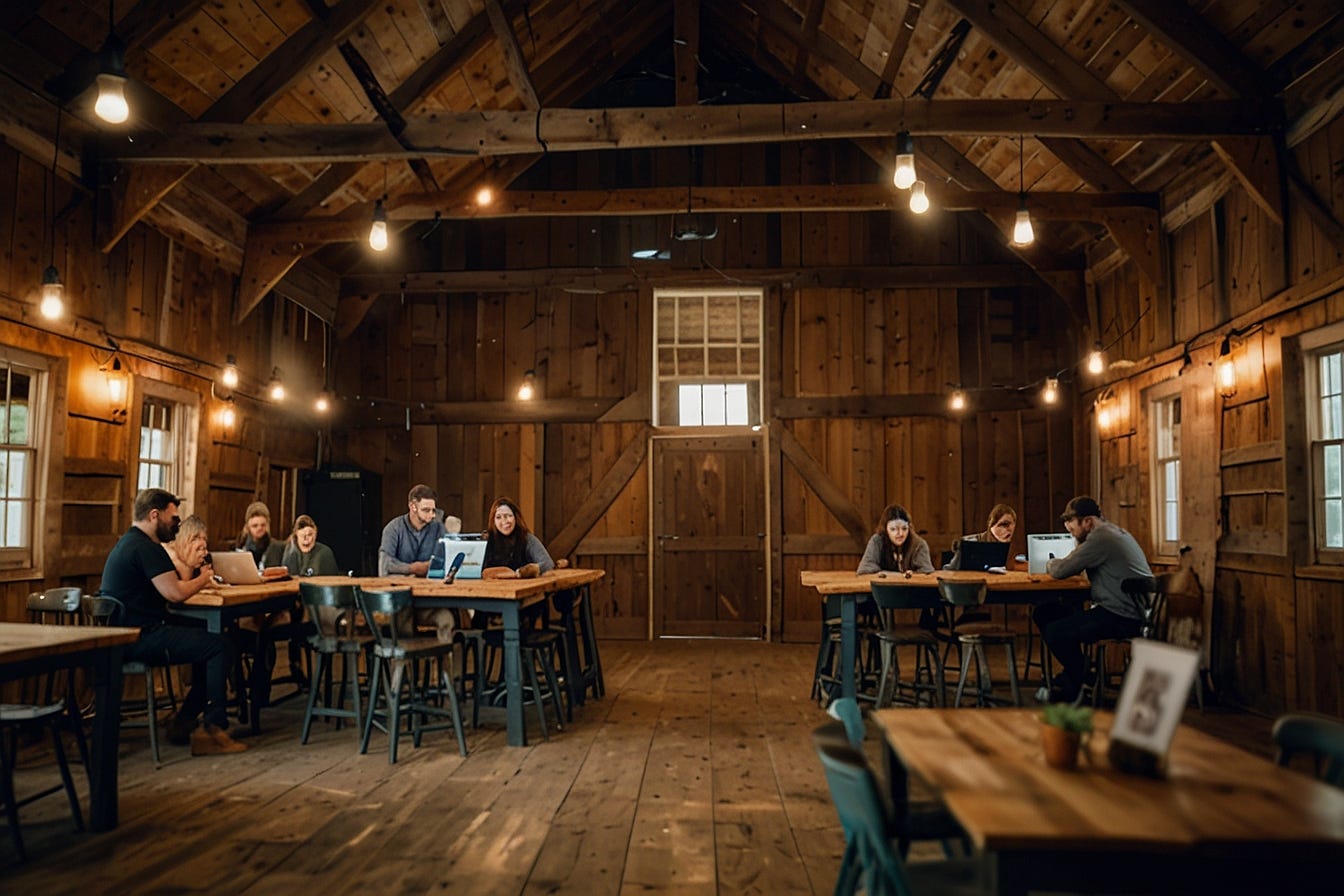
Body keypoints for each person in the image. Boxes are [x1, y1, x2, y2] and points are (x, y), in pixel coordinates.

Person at [99, 488, 246, 755]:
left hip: (124, 634)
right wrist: (204, 578)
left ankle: (185, 721)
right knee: (220, 646)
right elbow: (175, 593)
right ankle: (211, 730)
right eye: (173, 518)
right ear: (155, 515)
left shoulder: (127, 542)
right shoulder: (146, 548)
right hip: (139, 637)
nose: (177, 524)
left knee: (211, 635)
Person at [1034, 495, 1154, 703]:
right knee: (1045, 612)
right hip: (1129, 611)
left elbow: (1061, 570)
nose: (1068, 529)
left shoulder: (1100, 538)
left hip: (1121, 616)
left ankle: (1078, 677)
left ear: (1087, 521)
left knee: (1056, 632)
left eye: (1072, 527)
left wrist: (1050, 562)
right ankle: (1079, 675)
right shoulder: (1114, 532)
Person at [378, 484, 447, 576]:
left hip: (430, 585)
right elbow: (385, 564)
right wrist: (412, 568)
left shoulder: (439, 528)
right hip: (399, 585)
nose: (432, 515)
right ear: (412, 506)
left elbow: (446, 561)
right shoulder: (393, 528)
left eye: (433, 510)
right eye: (426, 510)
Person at [483, 497, 556, 577]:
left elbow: (547, 563)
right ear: (493, 521)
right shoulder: (486, 540)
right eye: (498, 517)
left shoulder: (527, 538)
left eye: (509, 516)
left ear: (516, 517)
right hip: (489, 587)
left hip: (522, 586)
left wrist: (523, 572)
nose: (504, 521)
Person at [856, 504, 933, 574]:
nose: (900, 534)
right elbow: (865, 569)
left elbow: (927, 572)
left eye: (904, 528)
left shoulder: (918, 545)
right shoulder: (877, 541)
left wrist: (913, 576)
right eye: (893, 529)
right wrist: (894, 576)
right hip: (883, 588)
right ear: (885, 529)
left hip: (912, 588)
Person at [945, 503, 1024, 570]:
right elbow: (951, 569)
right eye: (1004, 524)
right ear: (991, 525)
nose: (1009, 530)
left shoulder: (1013, 546)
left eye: (1012, 525)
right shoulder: (970, 542)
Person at [235, 501, 285, 569]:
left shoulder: (277, 548)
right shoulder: (241, 546)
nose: (259, 529)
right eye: (255, 526)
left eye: (263, 525)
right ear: (247, 527)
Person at [166, 514, 209, 581]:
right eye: (200, 549)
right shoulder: (166, 560)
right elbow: (179, 588)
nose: (206, 553)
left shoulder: (204, 562)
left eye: (205, 548)